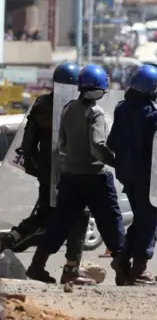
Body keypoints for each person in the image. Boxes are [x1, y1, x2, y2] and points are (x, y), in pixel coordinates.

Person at [29, 65, 127, 284]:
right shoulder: (96, 113)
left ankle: (37, 266)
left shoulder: (68, 108)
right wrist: (117, 163)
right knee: (111, 221)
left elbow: (62, 143)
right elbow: (97, 146)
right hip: (95, 176)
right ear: (101, 87)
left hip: (70, 176)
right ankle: (124, 269)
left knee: (60, 222)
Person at [0, 62, 94, 285]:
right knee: (78, 218)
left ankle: (20, 248)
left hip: (48, 173)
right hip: (73, 172)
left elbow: (27, 147)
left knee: (47, 216)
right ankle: (70, 269)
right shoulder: (76, 107)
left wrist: (40, 171)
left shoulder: (42, 104)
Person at [107, 64, 157, 285]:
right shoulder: (155, 114)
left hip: (126, 174)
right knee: (150, 220)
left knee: (141, 219)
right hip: (148, 177)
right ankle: (139, 270)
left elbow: (112, 142)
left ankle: (123, 260)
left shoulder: (121, 109)